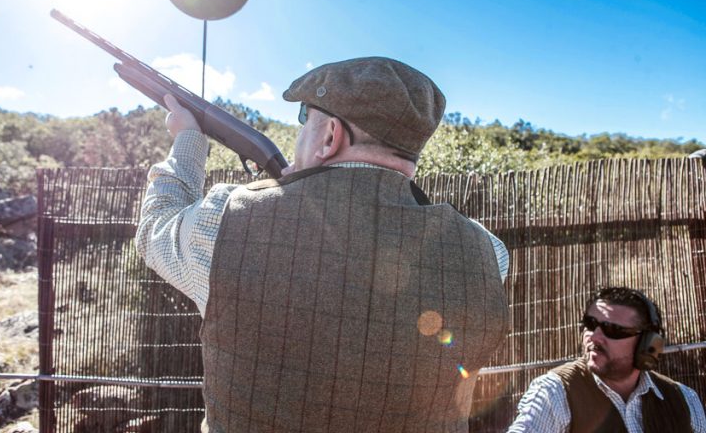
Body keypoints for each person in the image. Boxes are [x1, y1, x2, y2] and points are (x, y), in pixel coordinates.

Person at [136, 56, 510, 432]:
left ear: (330, 136)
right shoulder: (489, 254)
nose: (299, 134)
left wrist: (187, 142)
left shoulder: (226, 219)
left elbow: (155, 227)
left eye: (304, 120)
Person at [507, 286, 706, 432]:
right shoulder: (555, 392)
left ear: (647, 344)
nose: (594, 337)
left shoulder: (684, 400)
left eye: (613, 330)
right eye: (590, 324)